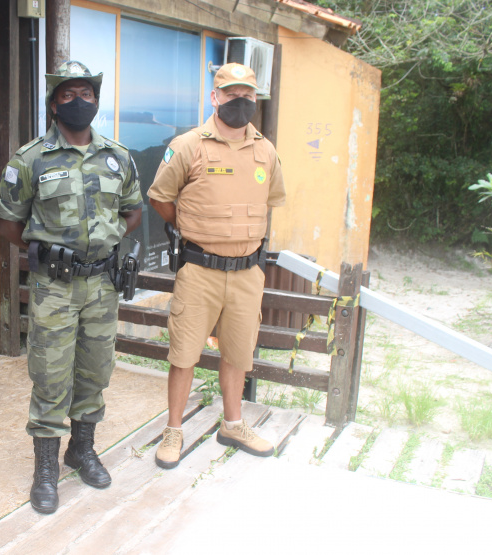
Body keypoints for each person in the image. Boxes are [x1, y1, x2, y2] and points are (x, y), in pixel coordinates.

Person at [0, 61, 143, 514]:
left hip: (102, 284)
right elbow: (7, 223)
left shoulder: (118, 156)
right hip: (54, 288)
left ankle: (81, 449)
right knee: (50, 374)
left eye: (87, 93)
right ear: (54, 103)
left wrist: (104, 246)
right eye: (68, 94)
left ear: (96, 101)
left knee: (95, 370)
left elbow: (133, 210)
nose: (80, 101)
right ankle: (45, 467)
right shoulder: (31, 158)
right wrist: (51, 253)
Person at [146, 63, 286, 469]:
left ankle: (234, 424)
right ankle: (174, 430)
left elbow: (270, 201)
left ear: (255, 101)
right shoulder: (188, 145)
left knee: (239, 352)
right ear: (215, 98)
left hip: (247, 273)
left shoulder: (266, 150)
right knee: (184, 352)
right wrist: (195, 228)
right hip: (200, 270)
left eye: (248, 95)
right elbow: (160, 199)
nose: (240, 102)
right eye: (231, 94)